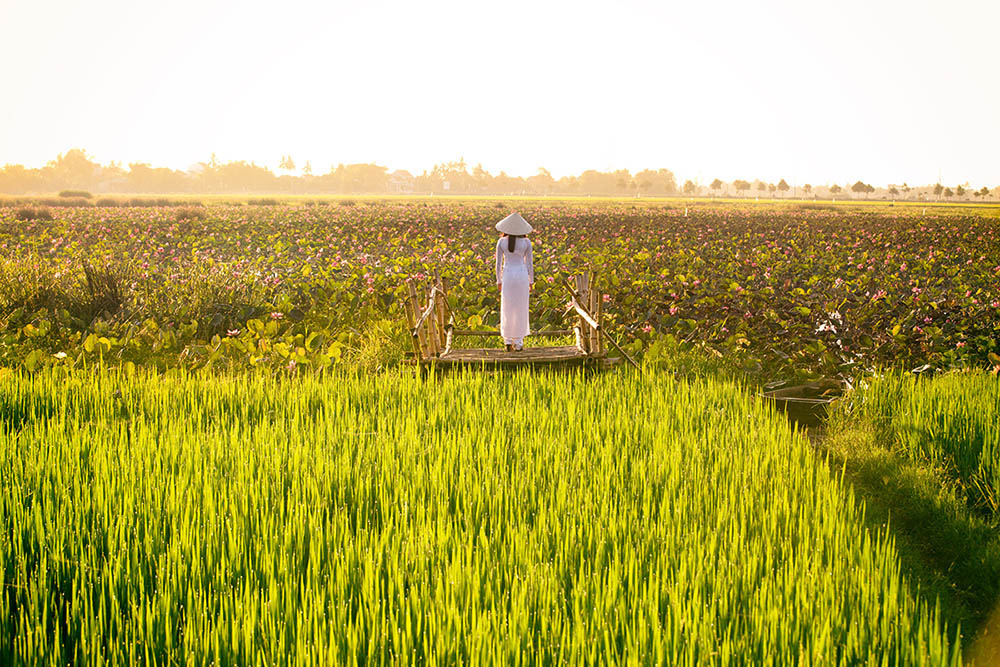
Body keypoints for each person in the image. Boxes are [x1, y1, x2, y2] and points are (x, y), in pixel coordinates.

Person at [494, 212, 534, 351]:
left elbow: (498, 264)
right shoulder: (526, 242)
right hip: (522, 277)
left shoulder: (501, 242)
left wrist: (498, 280)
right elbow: (529, 264)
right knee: (521, 307)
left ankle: (507, 339)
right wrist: (531, 281)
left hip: (508, 277)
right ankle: (518, 342)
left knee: (507, 307)